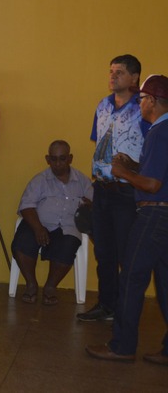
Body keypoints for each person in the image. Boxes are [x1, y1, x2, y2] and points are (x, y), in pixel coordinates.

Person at [85, 75, 168, 364]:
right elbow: (155, 172)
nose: (140, 104)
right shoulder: (163, 130)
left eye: (143, 99)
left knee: (131, 277)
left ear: (153, 102)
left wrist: (124, 174)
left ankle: (122, 346)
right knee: (165, 283)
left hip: (154, 213)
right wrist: (133, 166)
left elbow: (153, 185)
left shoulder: (158, 131)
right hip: (163, 215)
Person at [78, 54, 149, 322]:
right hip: (103, 188)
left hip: (127, 190)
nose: (112, 76)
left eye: (119, 72)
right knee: (104, 251)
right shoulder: (103, 106)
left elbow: (152, 149)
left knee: (125, 253)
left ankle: (125, 311)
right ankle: (106, 305)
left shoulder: (144, 108)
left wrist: (133, 166)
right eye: (111, 71)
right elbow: (98, 142)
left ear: (134, 77)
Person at [12, 140, 93, 305]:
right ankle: (31, 283)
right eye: (53, 159)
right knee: (21, 243)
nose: (57, 164)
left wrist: (89, 206)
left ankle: (50, 286)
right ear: (47, 159)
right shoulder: (39, 180)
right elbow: (26, 206)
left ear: (70, 158)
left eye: (62, 159)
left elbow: (96, 206)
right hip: (39, 223)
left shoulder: (83, 182)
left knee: (69, 245)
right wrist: (38, 228)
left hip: (67, 227)